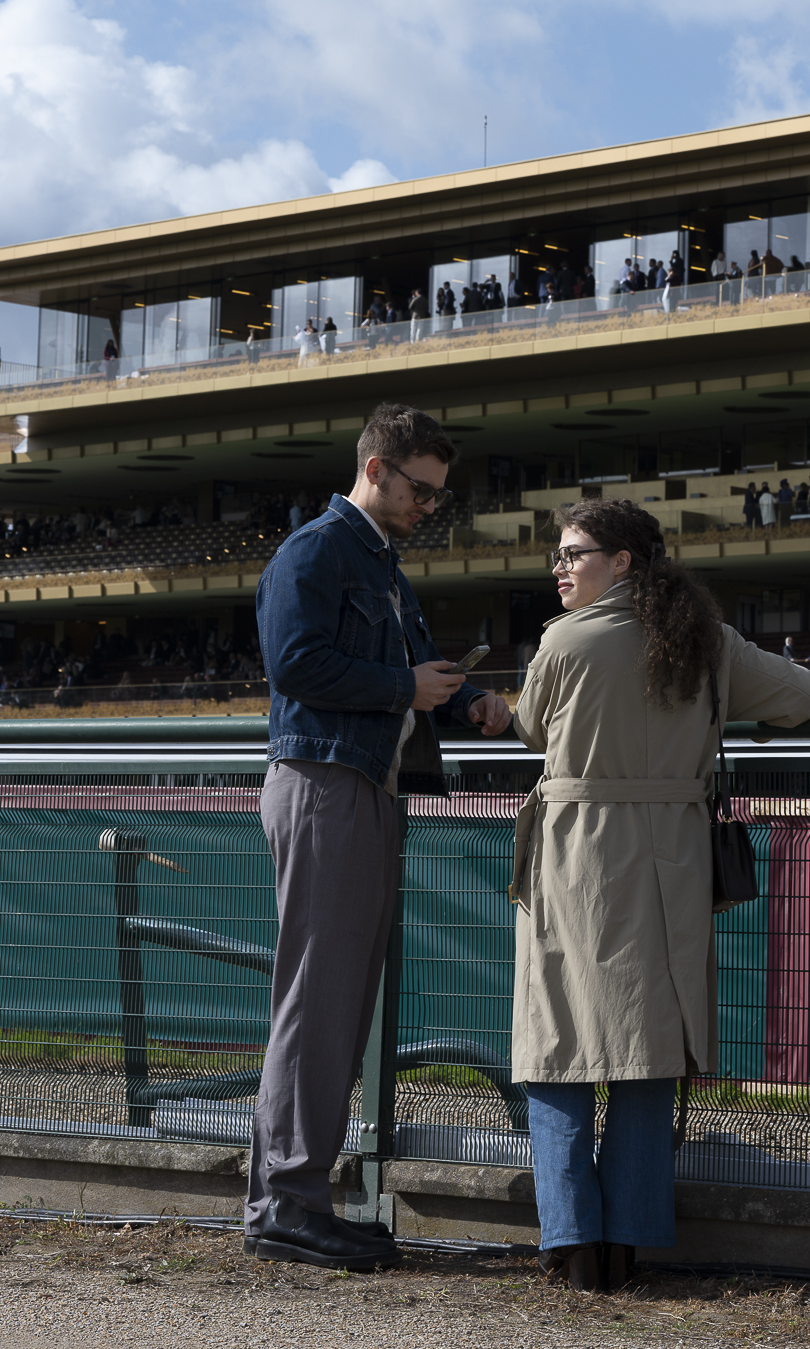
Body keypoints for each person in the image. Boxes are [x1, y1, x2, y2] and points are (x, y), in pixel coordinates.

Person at [510, 499, 810, 1290]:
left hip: (577, 856)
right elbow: (802, 697)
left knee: (557, 1050)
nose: (559, 567)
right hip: (673, 858)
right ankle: (629, 1243)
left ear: (619, 562)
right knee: (648, 1053)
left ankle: (571, 1242)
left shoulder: (565, 640)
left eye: (573, 553)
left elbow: (530, 729)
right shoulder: (704, 639)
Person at [244, 404, 512, 1269]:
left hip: (359, 784)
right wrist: (404, 682)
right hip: (326, 783)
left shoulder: (380, 564)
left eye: (436, 494)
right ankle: (287, 1201)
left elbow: (389, 680)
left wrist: (459, 699)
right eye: (421, 491)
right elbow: (295, 664)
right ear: (376, 468)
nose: (428, 507)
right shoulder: (316, 550)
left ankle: (293, 1197)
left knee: (334, 1003)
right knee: (318, 1002)